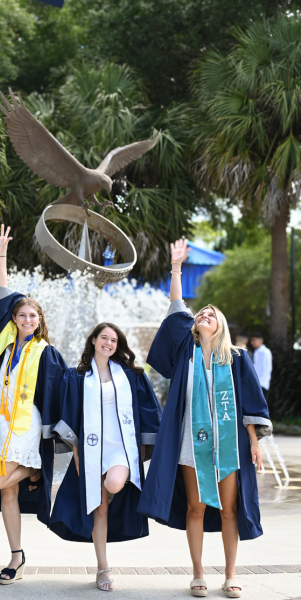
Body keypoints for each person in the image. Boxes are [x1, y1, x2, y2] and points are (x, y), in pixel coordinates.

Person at [138, 239, 273, 599]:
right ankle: (197, 572)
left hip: (228, 445)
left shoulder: (238, 358)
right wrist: (177, 267)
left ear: (221, 324)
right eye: (201, 314)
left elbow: (250, 407)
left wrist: (255, 443)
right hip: (190, 443)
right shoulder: (187, 350)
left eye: (211, 314)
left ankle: (230, 574)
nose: (204, 315)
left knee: (230, 509)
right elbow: (175, 306)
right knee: (196, 507)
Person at [0, 225, 67, 585]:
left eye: (33, 316)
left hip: (26, 425)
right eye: (22, 315)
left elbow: (58, 391)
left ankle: (36, 472)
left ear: (40, 323)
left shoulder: (46, 352)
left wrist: (58, 430)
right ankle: (16, 557)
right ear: (15, 320)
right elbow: (1, 293)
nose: (27, 320)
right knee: (6, 490)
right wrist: (1, 255)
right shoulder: (3, 349)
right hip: (0, 425)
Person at [49, 322, 162, 591]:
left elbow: (149, 410)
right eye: (104, 338)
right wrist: (76, 453)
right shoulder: (76, 377)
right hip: (90, 450)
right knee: (99, 509)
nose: (108, 343)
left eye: (113, 340)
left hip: (120, 448)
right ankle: (103, 569)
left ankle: (109, 495)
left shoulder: (130, 375)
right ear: (93, 341)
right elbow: (71, 418)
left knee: (112, 485)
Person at [250, 333, 272, 399]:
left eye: (254, 340)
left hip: (261, 385)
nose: (252, 342)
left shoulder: (266, 352)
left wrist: (259, 384)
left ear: (260, 341)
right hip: (256, 384)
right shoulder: (256, 352)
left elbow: (267, 369)